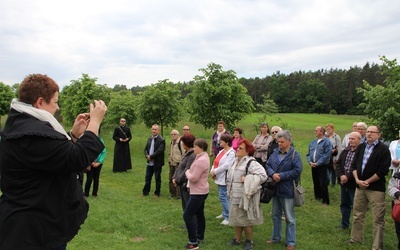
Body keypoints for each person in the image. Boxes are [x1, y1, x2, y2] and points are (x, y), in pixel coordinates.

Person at [0, 74, 106, 249]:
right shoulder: (32, 133)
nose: (57, 108)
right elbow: (77, 159)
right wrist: (95, 122)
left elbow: (54, 160)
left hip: (30, 224)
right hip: (32, 233)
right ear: (40, 102)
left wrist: (72, 136)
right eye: (55, 102)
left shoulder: (22, 125)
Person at [347, 126, 391, 249]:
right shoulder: (361, 147)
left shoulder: (383, 149)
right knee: (357, 214)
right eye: (368, 132)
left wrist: (367, 181)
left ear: (379, 135)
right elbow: (354, 165)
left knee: (378, 218)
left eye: (372, 132)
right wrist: (357, 180)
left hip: (376, 188)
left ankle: (377, 246)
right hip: (360, 186)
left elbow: (383, 170)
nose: (369, 134)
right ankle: (356, 238)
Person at [227, 139, 267, 250]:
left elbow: (263, 176)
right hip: (234, 195)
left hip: (245, 197)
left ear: (247, 151)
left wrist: (248, 179)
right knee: (236, 219)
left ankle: (249, 241)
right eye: (237, 148)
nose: (237, 150)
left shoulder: (251, 163)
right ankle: (237, 239)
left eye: (241, 148)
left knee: (246, 221)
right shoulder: (234, 161)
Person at [265, 130, 302, 250]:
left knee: (289, 218)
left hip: (287, 190)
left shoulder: (295, 155)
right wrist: (273, 174)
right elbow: (268, 165)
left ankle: (291, 242)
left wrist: (281, 176)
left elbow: (297, 171)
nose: (279, 144)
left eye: (282, 142)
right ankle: (276, 237)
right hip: (275, 190)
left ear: (289, 142)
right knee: (275, 215)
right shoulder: (275, 153)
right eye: (278, 141)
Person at [183, 138, 210, 250]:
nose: (193, 148)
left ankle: (193, 242)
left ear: (201, 148)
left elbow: (193, 178)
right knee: (199, 214)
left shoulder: (201, 161)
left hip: (198, 192)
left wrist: (187, 172)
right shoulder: (202, 157)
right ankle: (200, 236)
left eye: (195, 146)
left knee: (187, 215)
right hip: (201, 190)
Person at [335, 132, 361, 229]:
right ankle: (344, 224)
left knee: (356, 206)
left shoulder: (361, 152)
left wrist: (347, 177)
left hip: (354, 183)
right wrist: (341, 175)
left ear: (359, 139)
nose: (350, 141)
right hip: (343, 182)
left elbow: (358, 167)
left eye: (353, 139)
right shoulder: (346, 150)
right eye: (350, 139)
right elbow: (338, 164)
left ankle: (356, 228)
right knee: (344, 204)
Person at [210, 134, 236, 226]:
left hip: (225, 177)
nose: (219, 141)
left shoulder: (232, 153)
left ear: (227, 142)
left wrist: (215, 172)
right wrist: (212, 170)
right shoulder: (222, 151)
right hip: (219, 176)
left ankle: (229, 217)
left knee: (223, 196)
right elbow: (215, 161)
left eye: (221, 140)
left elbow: (226, 166)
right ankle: (224, 212)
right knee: (224, 196)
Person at [306, 126, 332, 205]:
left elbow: (326, 155)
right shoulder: (313, 142)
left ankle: (325, 201)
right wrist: (310, 162)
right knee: (315, 181)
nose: (315, 132)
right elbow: (308, 154)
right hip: (313, 165)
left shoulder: (327, 142)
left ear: (321, 132)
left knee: (323, 183)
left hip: (322, 166)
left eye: (316, 131)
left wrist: (317, 163)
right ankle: (317, 196)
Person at [172, 133, 197, 213]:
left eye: (183, 142)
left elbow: (187, 170)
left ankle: (190, 223)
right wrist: (174, 177)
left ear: (187, 143)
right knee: (184, 204)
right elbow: (180, 167)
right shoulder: (186, 153)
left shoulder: (192, 155)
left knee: (188, 205)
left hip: (186, 184)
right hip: (181, 183)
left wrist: (177, 180)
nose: (181, 144)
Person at [142, 124, 166, 198]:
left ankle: (157, 193)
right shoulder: (149, 139)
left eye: (155, 129)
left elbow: (160, 151)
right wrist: (147, 155)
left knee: (157, 178)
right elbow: (146, 149)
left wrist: (151, 157)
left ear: (158, 130)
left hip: (157, 163)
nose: (154, 131)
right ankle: (145, 192)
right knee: (147, 178)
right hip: (149, 163)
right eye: (153, 129)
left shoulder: (161, 140)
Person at [84, 130, 106, 197]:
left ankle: (94, 194)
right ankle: (86, 194)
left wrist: (99, 162)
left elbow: (103, 152)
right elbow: (86, 152)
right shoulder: (87, 141)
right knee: (89, 179)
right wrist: (91, 162)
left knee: (96, 179)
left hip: (98, 163)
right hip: (90, 163)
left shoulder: (101, 141)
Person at [168, 129, 184, 199]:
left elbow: (183, 153)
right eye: (172, 134)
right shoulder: (171, 142)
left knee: (178, 179)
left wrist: (182, 162)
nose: (173, 136)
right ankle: (172, 193)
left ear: (178, 135)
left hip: (178, 163)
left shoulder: (180, 142)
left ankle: (180, 195)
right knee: (171, 178)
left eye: (175, 134)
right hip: (171, 163)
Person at [388, 168, 400, 250]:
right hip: (398, 206)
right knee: (399, 230)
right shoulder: (397, 175)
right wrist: (397, 195)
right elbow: (391, 187)